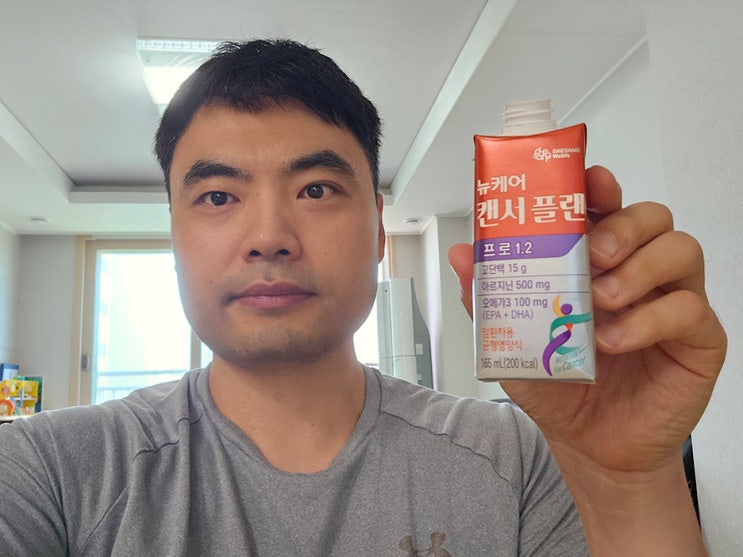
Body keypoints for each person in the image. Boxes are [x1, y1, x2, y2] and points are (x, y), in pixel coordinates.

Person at [0, 39, 726, 556]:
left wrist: (630, 482)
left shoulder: (518, 458)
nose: (269, 237)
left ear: (379, 229)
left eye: (316, 189)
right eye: (218, 195)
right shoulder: (49, 470)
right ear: (175, 235)